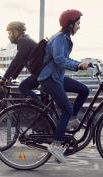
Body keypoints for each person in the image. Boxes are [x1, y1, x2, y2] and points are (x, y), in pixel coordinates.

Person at [37, 9, 90, 163]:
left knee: (84, 90)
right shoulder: (60, 38)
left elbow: (65, 58)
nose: (79, 27)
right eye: (78, 23)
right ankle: (56, 145)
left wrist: (80, 63)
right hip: (50, 79)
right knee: (66, 109)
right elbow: (60, 60)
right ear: (70, 24)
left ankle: (73, 118)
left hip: (57, 77)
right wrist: (79, 66)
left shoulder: (64, 38)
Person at [0, 21, 39, 101]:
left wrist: (3, 79)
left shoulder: (23, 41)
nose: (8, 36)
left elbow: (16, 61)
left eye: (9, 33)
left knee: (23, 87)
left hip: (41, 73)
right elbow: (21, 63)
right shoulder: (25, 39)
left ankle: (41, 108)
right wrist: (11, 77)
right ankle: (40, 107)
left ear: (15, 32)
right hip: (40, 73)